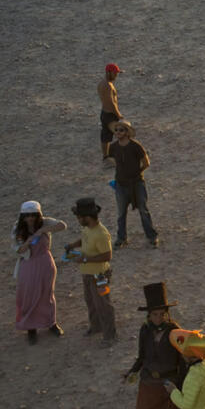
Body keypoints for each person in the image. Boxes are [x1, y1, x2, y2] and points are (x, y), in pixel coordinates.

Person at [124, 283, 188, 409]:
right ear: (148, 315)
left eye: (162, 314)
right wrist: (132, 371)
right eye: (155, 314)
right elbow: (142, 356)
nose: (159, 318)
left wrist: (180, 386)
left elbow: (183, 360)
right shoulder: (145, 330)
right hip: (148, 382)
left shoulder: (175, 331)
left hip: (168, 384)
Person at [64, 197, 117, 346]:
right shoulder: (87, 228)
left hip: (100, 275)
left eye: (79, 217)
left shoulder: (101, 234)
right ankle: (96, 326)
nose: (78, 219)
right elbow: (84, 239)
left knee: (103, 305)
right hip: (87, 273)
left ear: (87, 217)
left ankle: (110, 335)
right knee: (91, 301)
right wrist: (73, 245)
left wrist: (85, 259)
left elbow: (107, 256)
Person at [14, 201, 65, 344]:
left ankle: (51, 323)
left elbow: (62, 225)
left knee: (47, 293)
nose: (30, 218)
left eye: (33, 215)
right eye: (27, 216)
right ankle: (31, 328)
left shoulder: (44, 222)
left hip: (45, 262)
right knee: (28, 295)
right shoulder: (17, 229)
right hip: (29, 264)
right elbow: (18, 250)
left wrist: (42, 230)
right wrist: (28, 241)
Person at [108, 119, 159, 249]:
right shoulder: (113, 147)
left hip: (136, 183)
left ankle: (151, 236)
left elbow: (146, 162)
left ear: (127, 132)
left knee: (143, 209)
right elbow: (112, 160)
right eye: (116, 130)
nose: (118, 132)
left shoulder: (136, 146)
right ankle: (121, 238)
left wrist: (137, 172)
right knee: (121, 213)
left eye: (121, 130)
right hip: (121, 184)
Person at [99, 62, 122, 156]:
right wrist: (118, 115)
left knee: (105, 137)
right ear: (109, 72)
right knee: (122, 133)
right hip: (110, 115)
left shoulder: (101, 83)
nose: (116, 75)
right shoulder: (108, 86)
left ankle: (106, 157)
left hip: (104, 113)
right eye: (115, 73)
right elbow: (111, 102)